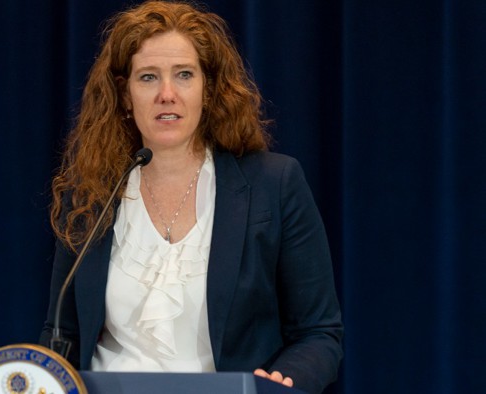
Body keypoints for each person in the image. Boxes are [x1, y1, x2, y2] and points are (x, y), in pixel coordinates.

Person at [39, 1, 343, 393]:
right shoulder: (92, 191)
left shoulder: (274, 184)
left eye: (184, 75)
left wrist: (284, 380)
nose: (167, 94)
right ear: (125, 94)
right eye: (148, 77)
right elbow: (61, 331)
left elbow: (319, 332)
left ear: (208, 88)